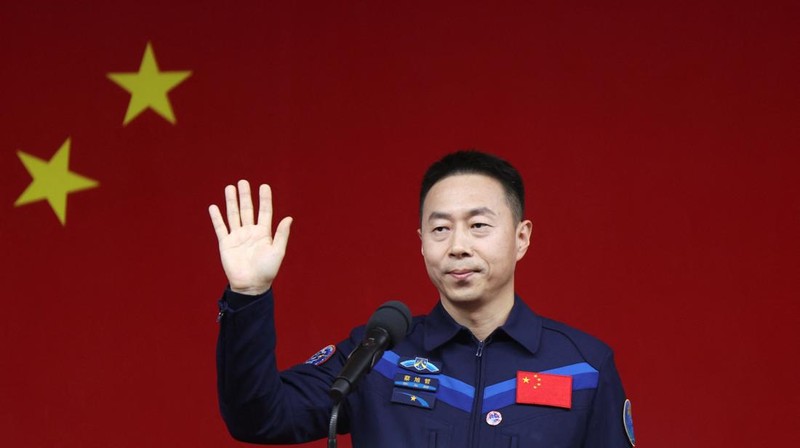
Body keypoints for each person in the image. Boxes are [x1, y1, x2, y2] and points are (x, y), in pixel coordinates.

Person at [209, 150, 635, 447]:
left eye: (479, 226)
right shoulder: (378, 354)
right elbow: (258, 417)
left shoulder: (583, 366)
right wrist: (249, 295)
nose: (458, 246)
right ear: (421, 243)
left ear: (521, 238)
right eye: (440, 229)